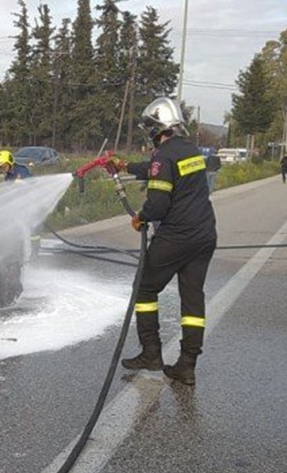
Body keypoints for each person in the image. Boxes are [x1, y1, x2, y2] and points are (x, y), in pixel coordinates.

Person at [105, 97, 217, 385]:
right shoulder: (188, 150)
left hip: (176, 237)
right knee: (193, 299)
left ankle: (151, 353)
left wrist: (140, 216)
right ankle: (187, 365)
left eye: (150, 129)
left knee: (144, 288)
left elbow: (158, 205)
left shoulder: (163, 156)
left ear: (158, 128)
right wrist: (126, 166)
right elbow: (157, 167)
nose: (149, 135)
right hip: (204, 235)